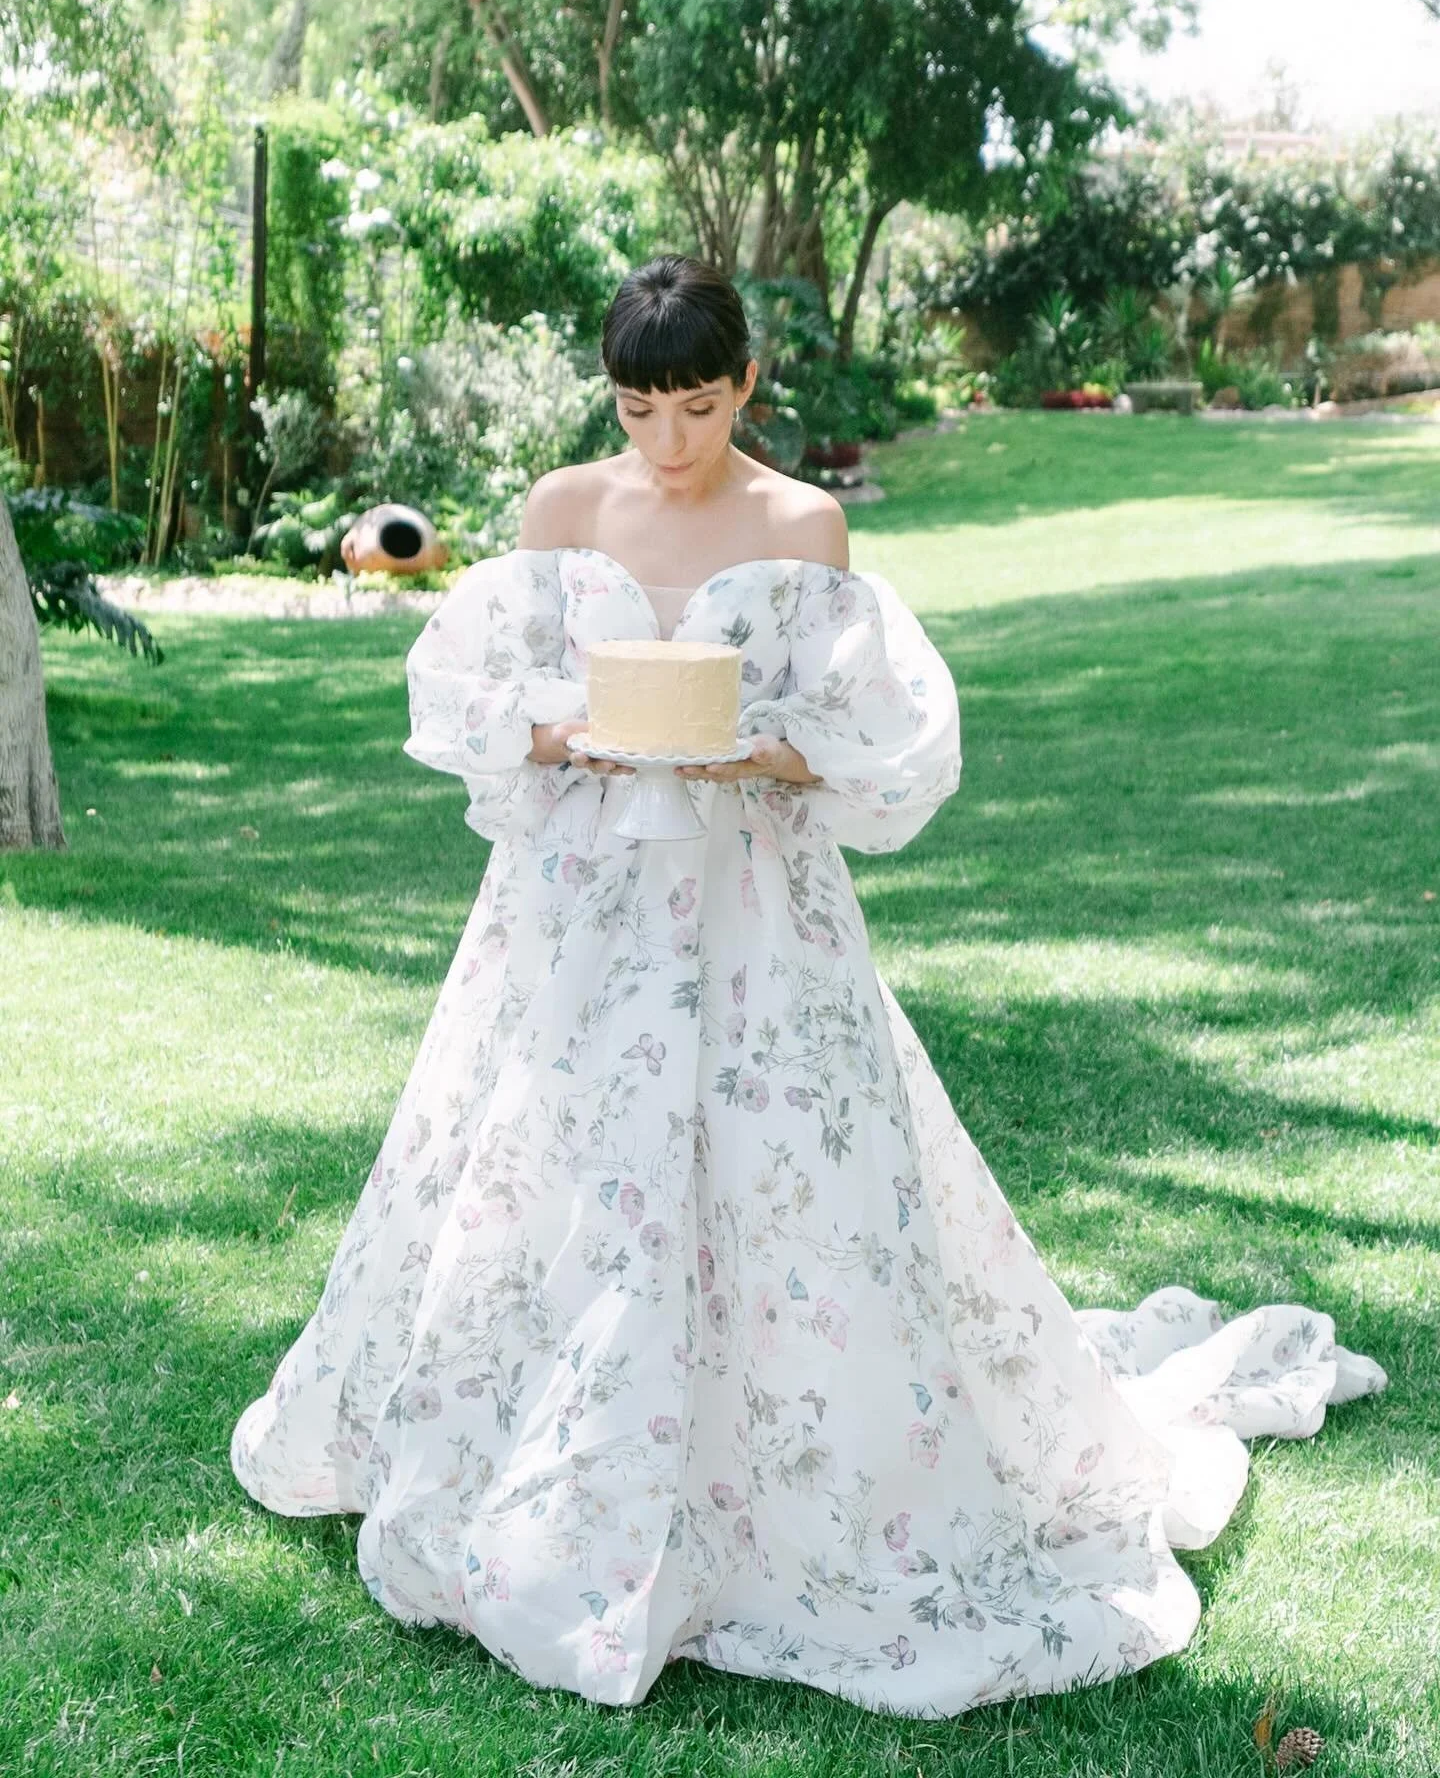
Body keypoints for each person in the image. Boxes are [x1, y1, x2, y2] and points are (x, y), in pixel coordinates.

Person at [230, 254, 1387, 1719]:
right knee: (555, 1167)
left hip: (754, 904)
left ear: (745, 389)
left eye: (697, 406)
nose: (667, 438)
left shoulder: (802, 524)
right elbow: (477, 700)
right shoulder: (560, 512)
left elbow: (857, 735)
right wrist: (567, 735)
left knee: (784, 1171)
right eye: (642, 408)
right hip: (579, 903)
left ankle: (789, 1493)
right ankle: (543, 1466)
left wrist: (748, 752)